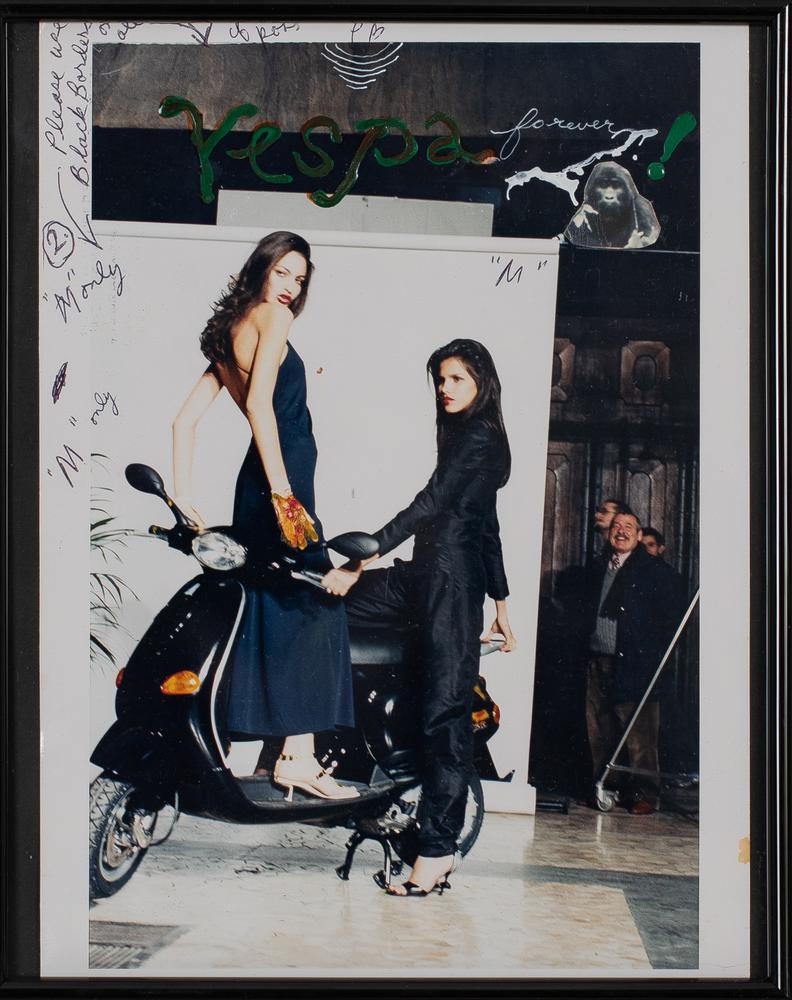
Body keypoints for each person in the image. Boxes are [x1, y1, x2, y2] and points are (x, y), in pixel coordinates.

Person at [325, 338, 517, 896]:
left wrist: (361, 558)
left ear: (481, 381)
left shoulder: (481, 437)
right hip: (423, 575)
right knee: (322, 605)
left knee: (444, 715)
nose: (444, 389)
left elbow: (431, 502)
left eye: (457, 379)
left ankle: (437, 851)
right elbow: (488, 524)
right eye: (440, 379)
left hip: (451, 588)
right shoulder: (464, 434)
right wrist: (504, 605)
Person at [171, 231, 358, 800]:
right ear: (261, 268)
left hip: (256, 480)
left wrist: (182, 498)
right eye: (283, 273)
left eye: (299, 280)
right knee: (315, 603)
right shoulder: (274, 319)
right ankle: (297, 757)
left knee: (268, 607)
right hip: (282, 478)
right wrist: (284, 495)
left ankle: (257, 749)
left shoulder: (228, 330)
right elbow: (259, 405)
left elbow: (183, 422)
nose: (291, 288)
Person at [583, 512, 681, 814]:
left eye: (628, 527)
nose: (621, 531)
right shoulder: (599, 566)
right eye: (616, 526)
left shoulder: (654, 571)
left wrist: (650, 652)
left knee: (639, 732)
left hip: (636, 663)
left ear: (639, 536)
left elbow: (669, 618)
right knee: (600, 729)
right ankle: (606, 788)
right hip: (598, 659)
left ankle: (645, 794)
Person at [563, 161, 661, 250]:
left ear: (628, 191)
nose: (609, 195)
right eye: (603, 185)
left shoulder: (641, 212)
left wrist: (635, 245)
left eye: (616, 185)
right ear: (592, 190)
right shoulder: (581, 214)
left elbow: (650, 239)